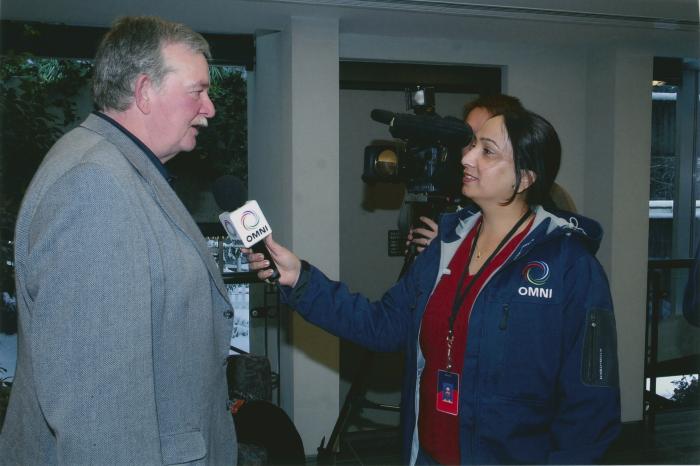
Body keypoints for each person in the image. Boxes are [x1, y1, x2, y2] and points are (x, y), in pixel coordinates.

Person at [246, 107, 620, 464]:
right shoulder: (445, 247)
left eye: (487, 151)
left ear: (524, 178)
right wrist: (300, 278)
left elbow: (592, 405)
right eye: (472, 145)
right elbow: (383, 325)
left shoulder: (570, 266)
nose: (466, 158)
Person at [0, 16, 238, 464]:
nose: (210, 109)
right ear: (145, 92)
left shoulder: (121, 171)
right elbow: (99, 414)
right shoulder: (94, 187)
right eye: (198, 91)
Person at [407, 94, 577, 253]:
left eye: (487, 148)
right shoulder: (451, 186)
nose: (468, 157)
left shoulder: (553, 205)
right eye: (469, 140)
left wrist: (452, 251)